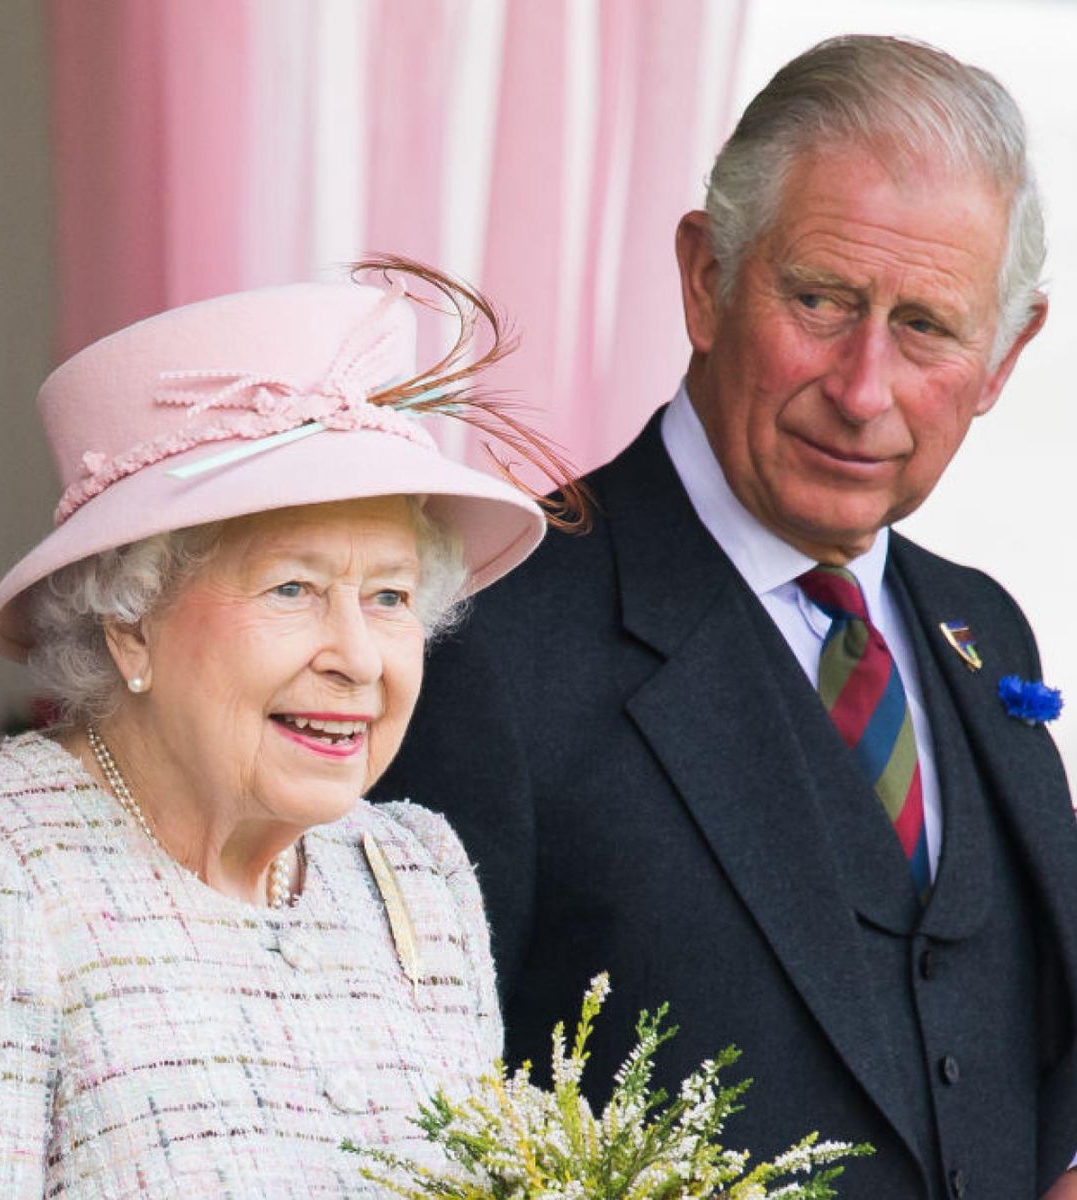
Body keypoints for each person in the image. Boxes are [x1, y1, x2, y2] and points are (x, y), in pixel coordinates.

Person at [374, 36, 1077, 1200]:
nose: (863, 390)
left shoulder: (983, 629)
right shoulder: (482, 637)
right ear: (704, 279)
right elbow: (401, 1129)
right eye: (820, 299)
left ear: (1002, 359)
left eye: (926, 328)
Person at [0, 261, 581, 1197]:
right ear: (131, 620)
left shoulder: (415, 877)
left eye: (390, 597)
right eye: (293, 589)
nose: (359, 659)